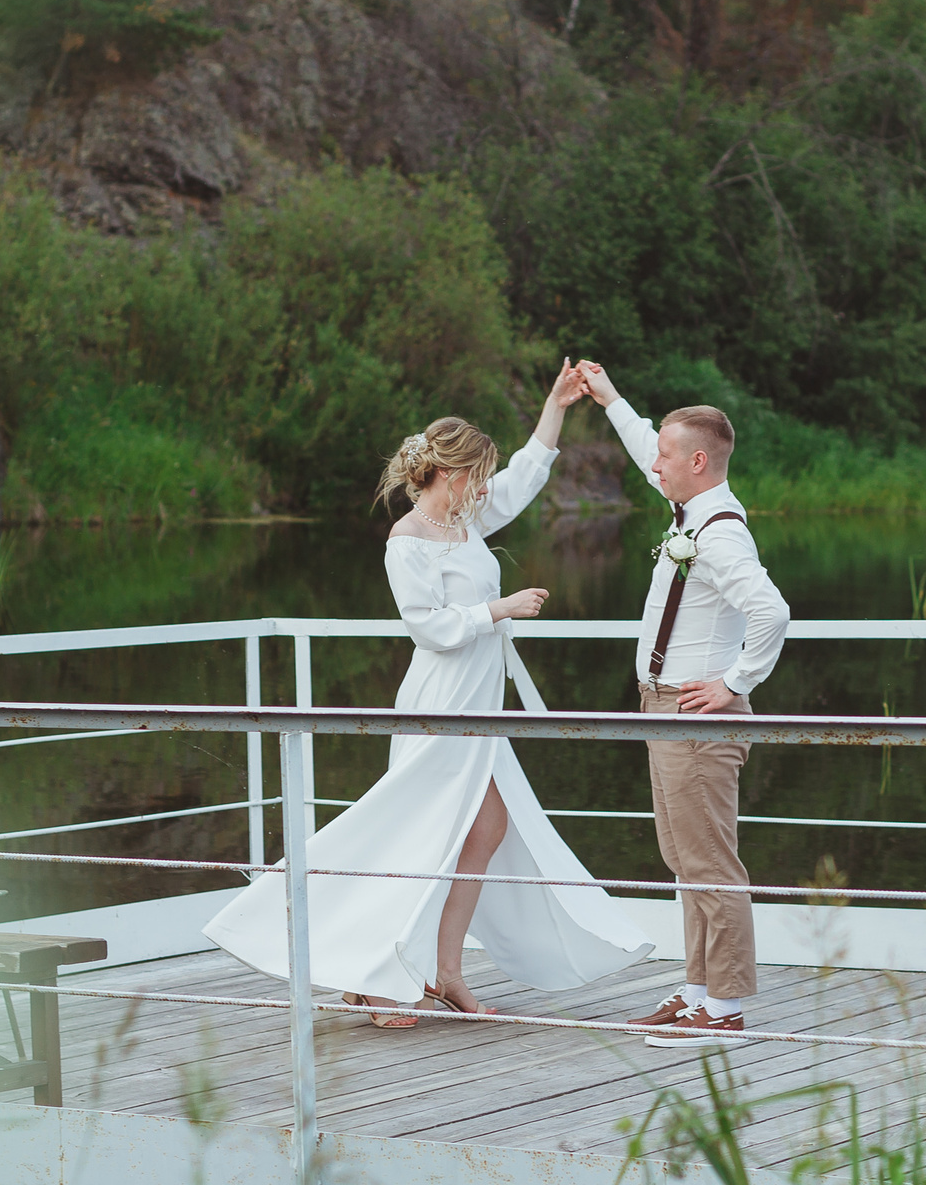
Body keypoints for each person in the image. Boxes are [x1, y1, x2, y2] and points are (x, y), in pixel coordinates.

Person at [202, 376, 653, 1026]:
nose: (483, 486)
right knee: (419, 839)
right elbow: (430, 627)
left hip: (480, 705)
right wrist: (502, 607)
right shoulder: (408, 538)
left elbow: (526, 477)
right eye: (475, 474)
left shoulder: (468, 519)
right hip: (440, 701)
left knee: (489, 828)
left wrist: (556, 406)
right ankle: (375, 976)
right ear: (446, 472)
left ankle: (445, 970)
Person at [574, 362, 790, 1046]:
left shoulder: (719, 533)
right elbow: (648, 448)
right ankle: (696, 989)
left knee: (709, 861)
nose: (654, 465)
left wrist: (735, 684)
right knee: (683, 855)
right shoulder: (689, 508)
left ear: (697, 461)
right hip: (664, 709)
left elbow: (771, 611)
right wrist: (608, 398)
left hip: (696, 717)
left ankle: (724, 1006)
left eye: (668, 455)